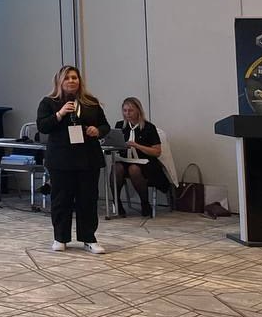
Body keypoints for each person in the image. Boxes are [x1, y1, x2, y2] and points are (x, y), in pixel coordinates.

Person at [36, 65, 110, 254]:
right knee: (61, 199)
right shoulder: (49, 102)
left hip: (88, 158)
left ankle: (89, 238)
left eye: (74, 77)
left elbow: (105, 126)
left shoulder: (91, 103)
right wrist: (59, 114)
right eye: (67, 78)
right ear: (59, 81)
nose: (71, 81)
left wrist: (97, 130)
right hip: (61, 159)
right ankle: (60, 238)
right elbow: (43, 126)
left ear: (80, 81)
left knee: (88, 199)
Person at [112, 97, 170, 217]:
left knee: (134, 169)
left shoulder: (149, 127)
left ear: (138, 110)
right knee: (116, 168)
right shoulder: (120, 125)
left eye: (130, 110)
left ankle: (145, 203)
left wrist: (137, 146)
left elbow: (157, 152)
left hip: (146, 162)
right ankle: (116, 202)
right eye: (125, 110)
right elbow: (116, 145)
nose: (127, 113)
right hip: (126, 160)